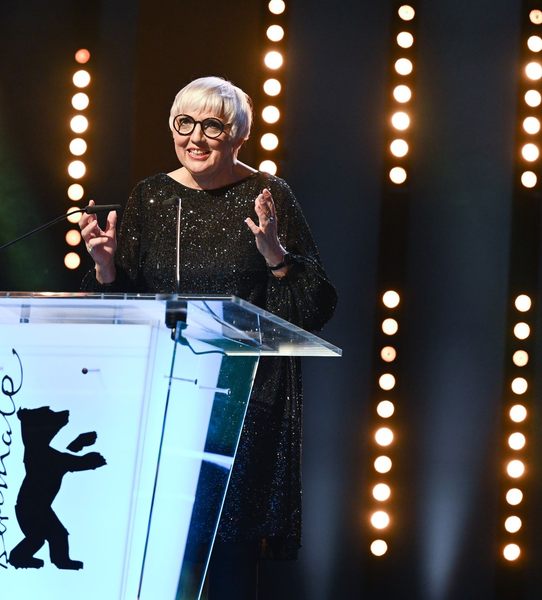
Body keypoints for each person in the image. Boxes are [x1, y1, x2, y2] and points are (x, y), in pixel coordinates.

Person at [79, 76, 336, 598]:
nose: (195, 137)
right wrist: (106, 267)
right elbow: (117, 311)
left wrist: (276, 257)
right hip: (163, 400)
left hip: (242, 407)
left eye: (212, 126)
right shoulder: (151, 196)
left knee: (230, 560)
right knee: (163, 559)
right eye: (185, 123)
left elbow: (316, 307)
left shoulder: (268, 195)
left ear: (238, 134)